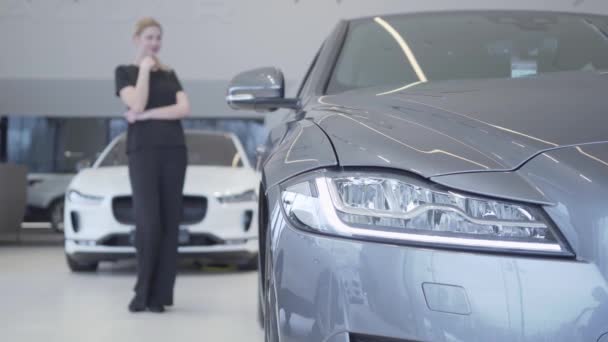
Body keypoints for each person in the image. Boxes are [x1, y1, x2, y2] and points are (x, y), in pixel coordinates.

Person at [114, 17, 191, 313]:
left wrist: (144, 118)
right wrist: (144, 70)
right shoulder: (125, 72)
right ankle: (142, 292)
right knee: (148, 223)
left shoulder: (170, 74)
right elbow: (136, 103)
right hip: (143, 152)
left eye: (158, 37)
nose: (155, 43)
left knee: (170, 223)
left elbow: (183, 109)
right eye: (149, 37)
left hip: (174, 151)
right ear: (137, 39)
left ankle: (160, 297)